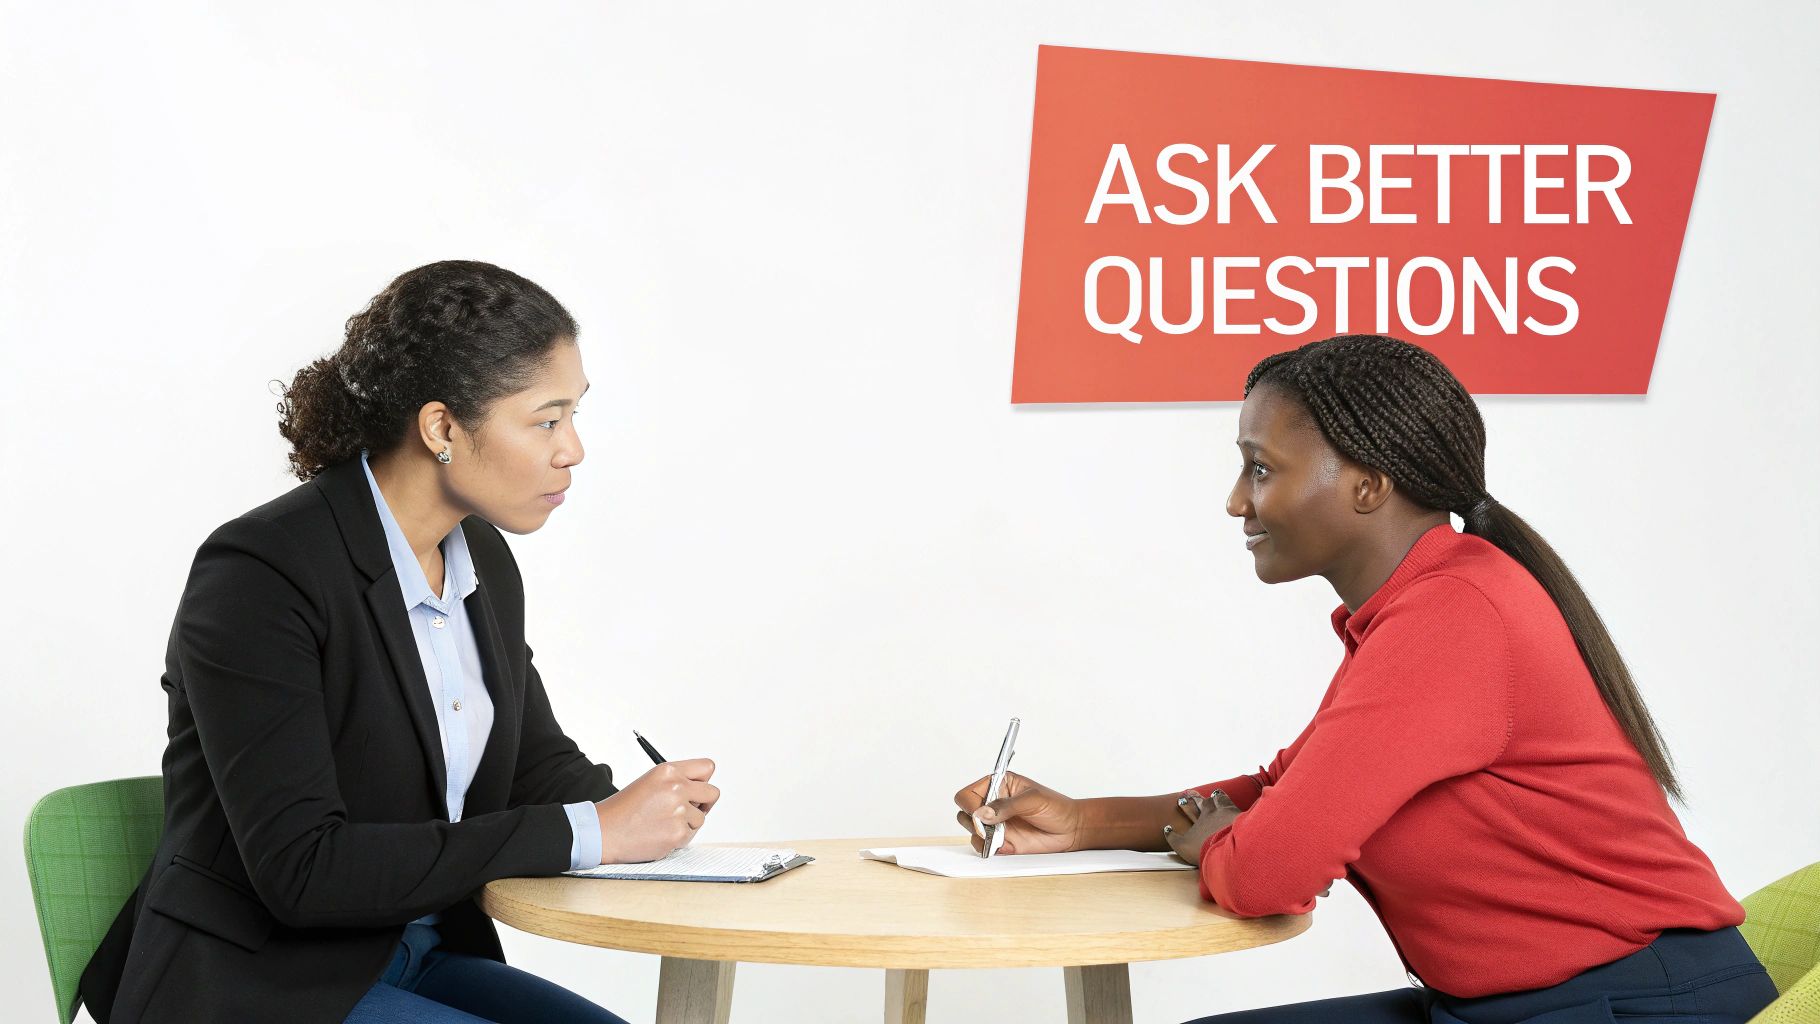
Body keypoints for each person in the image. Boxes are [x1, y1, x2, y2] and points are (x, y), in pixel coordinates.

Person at [953, 335, 1777, 1023]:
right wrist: (1080, 821)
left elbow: (1268, 872)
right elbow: (1282, 790)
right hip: (1526, 1002)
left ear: (1368, 485)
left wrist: (1218, 848)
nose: (1236, 501)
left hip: (1633, 1004)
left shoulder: (1456, 615)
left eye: (1261, 468)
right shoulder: (1428, 603)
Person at [80, 261, 720, 1023]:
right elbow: (303, 868)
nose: (572, 449)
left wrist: (643, 810)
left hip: (416, 953)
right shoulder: (260, 573)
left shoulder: (480, 558)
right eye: (547, 420)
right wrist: (589, 832)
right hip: (259, 987)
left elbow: (528, 769)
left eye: (575, 415)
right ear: (442, 427)